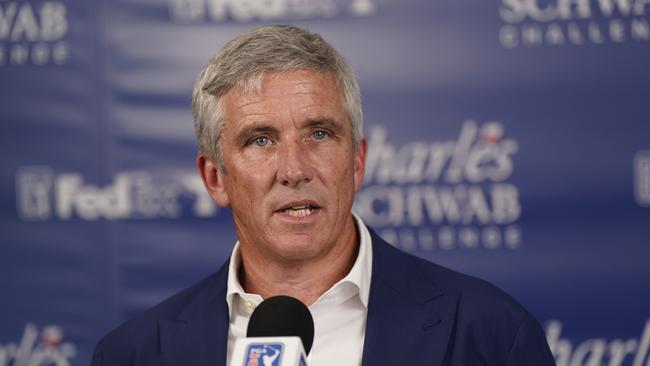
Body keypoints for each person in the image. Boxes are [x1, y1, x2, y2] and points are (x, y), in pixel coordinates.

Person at [91, 25, 556, 366]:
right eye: (260, 140)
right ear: (215, 178)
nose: (294, 170)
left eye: (319, 134)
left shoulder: (491, 336)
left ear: (356, 162)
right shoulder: (132, 354)